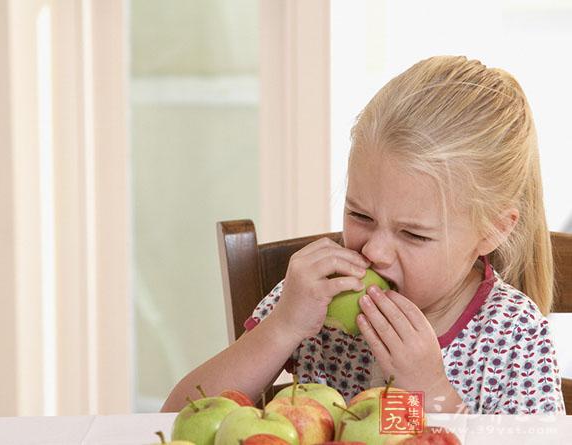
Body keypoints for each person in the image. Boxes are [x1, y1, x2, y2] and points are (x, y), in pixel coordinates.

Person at [162, 55, 566, 415]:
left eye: (413, 234)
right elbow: (176, 417)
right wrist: (283, 325)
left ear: (493, 230)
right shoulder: (315, 298)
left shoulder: (512, 332)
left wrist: (429, 391)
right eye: (360, 214)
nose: (374, 251)